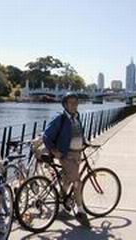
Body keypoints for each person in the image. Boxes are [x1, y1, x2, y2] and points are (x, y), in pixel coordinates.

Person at [43, 93, 91, 228]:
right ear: (65, 104)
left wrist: (84, 142)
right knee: (77, 182)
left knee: (67, 181)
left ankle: (61, 208)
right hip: (67, 155)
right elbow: (46, 136)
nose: (74, 105)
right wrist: (54, 151)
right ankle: (81, 211)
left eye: (76, 102)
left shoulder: (77, 116)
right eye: (71, 102)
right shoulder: (60, 118)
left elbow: (77, 133)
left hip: (77, 154)